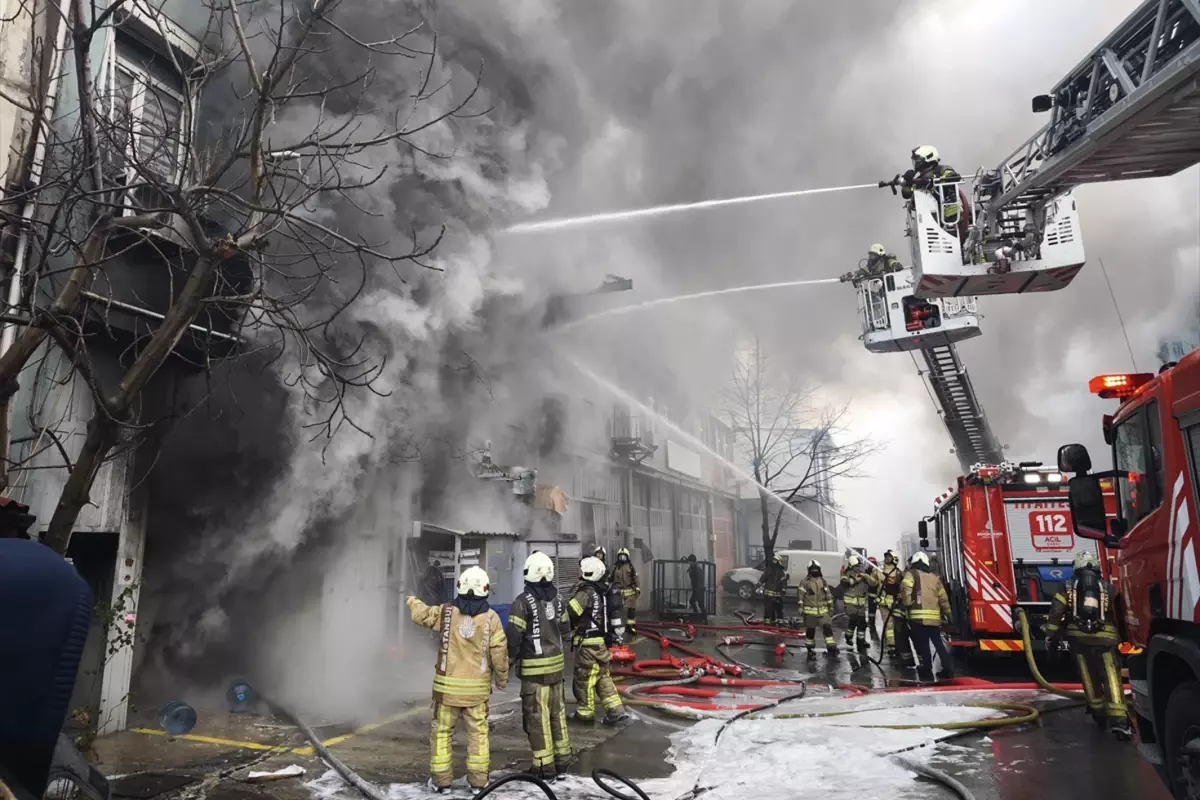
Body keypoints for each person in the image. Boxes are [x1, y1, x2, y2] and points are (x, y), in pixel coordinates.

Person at [407, 566, 508, 793]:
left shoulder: (446, 613)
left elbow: (421, 615)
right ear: (485, 589)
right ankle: (479, 783)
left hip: (446, 693)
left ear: (460, 586)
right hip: (477, 694)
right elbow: (499, 652)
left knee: (442, 733)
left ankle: (442, 783)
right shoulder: (491, 619)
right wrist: (502, 679)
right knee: (478, 735)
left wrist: (412, 601)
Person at [1046, 551, 1132, 740]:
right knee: (1111, 678)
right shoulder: (1109, 587)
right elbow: (1120, 613)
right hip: (1107, 641)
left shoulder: (1067, 587)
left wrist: (1051, 635)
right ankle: (1120, 722)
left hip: (1078, 640)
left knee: (1088, 676)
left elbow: (1056, 613)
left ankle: (1099, 715)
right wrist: (1124, 638)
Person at [506, 552, 574, 782]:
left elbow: (514, 637)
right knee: (558, 716)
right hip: (557, 672)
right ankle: (563, 760)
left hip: (535, 675)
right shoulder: (558, 599)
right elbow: (565, 630)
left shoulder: (522, 602)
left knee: (537, 719)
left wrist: (508, 660)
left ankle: (544, 767)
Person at [567, 557, 630, 726]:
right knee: (603, 678)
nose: (579, 573)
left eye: (581, 570)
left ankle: (585, 713)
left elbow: (571, 612)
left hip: (588, 644)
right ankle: (616, 711)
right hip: (601, 643)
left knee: (584, 678)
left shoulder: (586, 592)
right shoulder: (603, 592)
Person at [900, 551, 954, 682]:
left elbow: (905, 587)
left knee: (923, 645)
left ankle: (927, 669)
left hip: (918, 618)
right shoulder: (934, 578)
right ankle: (949, 670)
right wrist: (949, 615)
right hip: (934, 619)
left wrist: (907, 603)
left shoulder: (911, 574)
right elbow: (943, 599)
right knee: (939, 645)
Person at [899, 145, 966, 238]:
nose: (915, 163)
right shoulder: (920, 179)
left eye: (917, 160)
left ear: (927, 158)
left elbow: (953, 177)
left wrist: (933, 181)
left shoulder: (943, 169)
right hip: (930, 220)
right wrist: (908, 182)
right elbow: (906, 193)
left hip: (950, 215)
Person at [840, 553, 880, 651]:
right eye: (856, 566)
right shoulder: (846, 574)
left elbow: (873, 583)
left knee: (862, 623)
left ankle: (860, 641)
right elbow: (844, 582)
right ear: (851, 566)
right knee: (854, 621)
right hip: (851, 605)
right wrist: (855, 580)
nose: (858, 568)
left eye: (859, 566)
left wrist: (866, 576)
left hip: (861, 605)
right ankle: (849, 637)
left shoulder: (863, 575)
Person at [800, 560, 839, 659]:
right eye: (813, 569)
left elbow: (829, 595)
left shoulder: (823, 581)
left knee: (827, 629)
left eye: (816, 569)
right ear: (809, 570)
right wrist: (801, 608)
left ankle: (831, 648)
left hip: (823, 612)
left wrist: (831, 607)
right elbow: (800, 596)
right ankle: (810, 649)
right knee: (810, 632)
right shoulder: (805, 582)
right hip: (810, 613)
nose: (815, 570)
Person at [878, 550, 906, 659]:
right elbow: (873, 582)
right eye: (886, 556)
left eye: (889, 556)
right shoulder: (879, 571)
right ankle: (892, 646)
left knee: (896, 625)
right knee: (888, 625)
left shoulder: (899, 573)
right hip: (883, 603)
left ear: (894, 559)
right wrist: (867, 576)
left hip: (895, 603)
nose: (886, 558)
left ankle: (896, 645)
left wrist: (901, 595)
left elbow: (904, 586)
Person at [611, 548, 640, 635]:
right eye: (620, 556)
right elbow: (611, 578)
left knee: (631, 611)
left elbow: (635, 577)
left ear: (627, 557)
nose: (622, 558)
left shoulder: (630, 566)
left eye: (624, 556)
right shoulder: (615, 567)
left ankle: (631, 627)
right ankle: (616, 627)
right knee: (616, 610)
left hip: (630, 592)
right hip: (618, 592)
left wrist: (637, 588)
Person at [759, 554, 788, 623]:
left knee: (778, 607)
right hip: (768, 594)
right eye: (773, 560)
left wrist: (783, 589)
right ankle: (768, 620)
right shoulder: (768, 570)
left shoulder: (780, 572)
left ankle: (779, 620)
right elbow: (763, 578)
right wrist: (759, 584)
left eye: (775, 560)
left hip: (777, 594)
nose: (773, 562)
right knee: (768, 608)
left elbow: (783, 581)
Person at [685, 554, 707, 621]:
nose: (688, 563)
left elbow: (696, 578)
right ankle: (702, 617)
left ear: (692, 561)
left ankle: (701, 617)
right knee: (698, 603)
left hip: (698, 589)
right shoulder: (695, 567)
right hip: (699, 589)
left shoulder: (696, 568)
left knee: (696, 603)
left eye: (689, 561)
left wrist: (697, 589)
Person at [866, 556, 881, 640]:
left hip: (877, 594)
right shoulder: (868, 571)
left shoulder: (877, 571)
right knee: (871, 611)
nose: (870, 565)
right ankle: (871, 623)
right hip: (871, 594)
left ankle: (872, 623)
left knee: (875, 610)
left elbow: (873, 583)